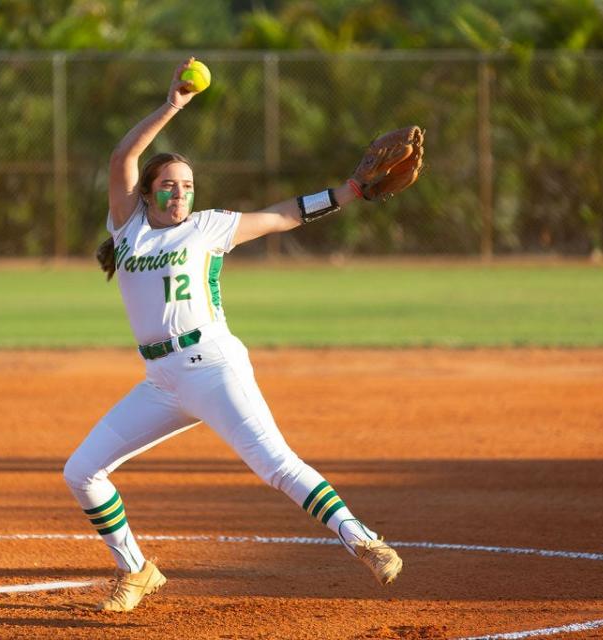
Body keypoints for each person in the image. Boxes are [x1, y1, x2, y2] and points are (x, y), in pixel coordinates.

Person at [63, 57, 423, 613]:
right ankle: (137, 570)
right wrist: (173, 106)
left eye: (186, 185)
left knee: (275, 465)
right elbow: (122, 156)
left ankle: (366, 542)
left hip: (212, 366)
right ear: (147, 193)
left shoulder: (208, 228)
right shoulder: (128, 227)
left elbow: (282, 215)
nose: (179, 193)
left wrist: (349, 191)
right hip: (160, 380)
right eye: (168, 185)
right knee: (82, 471)